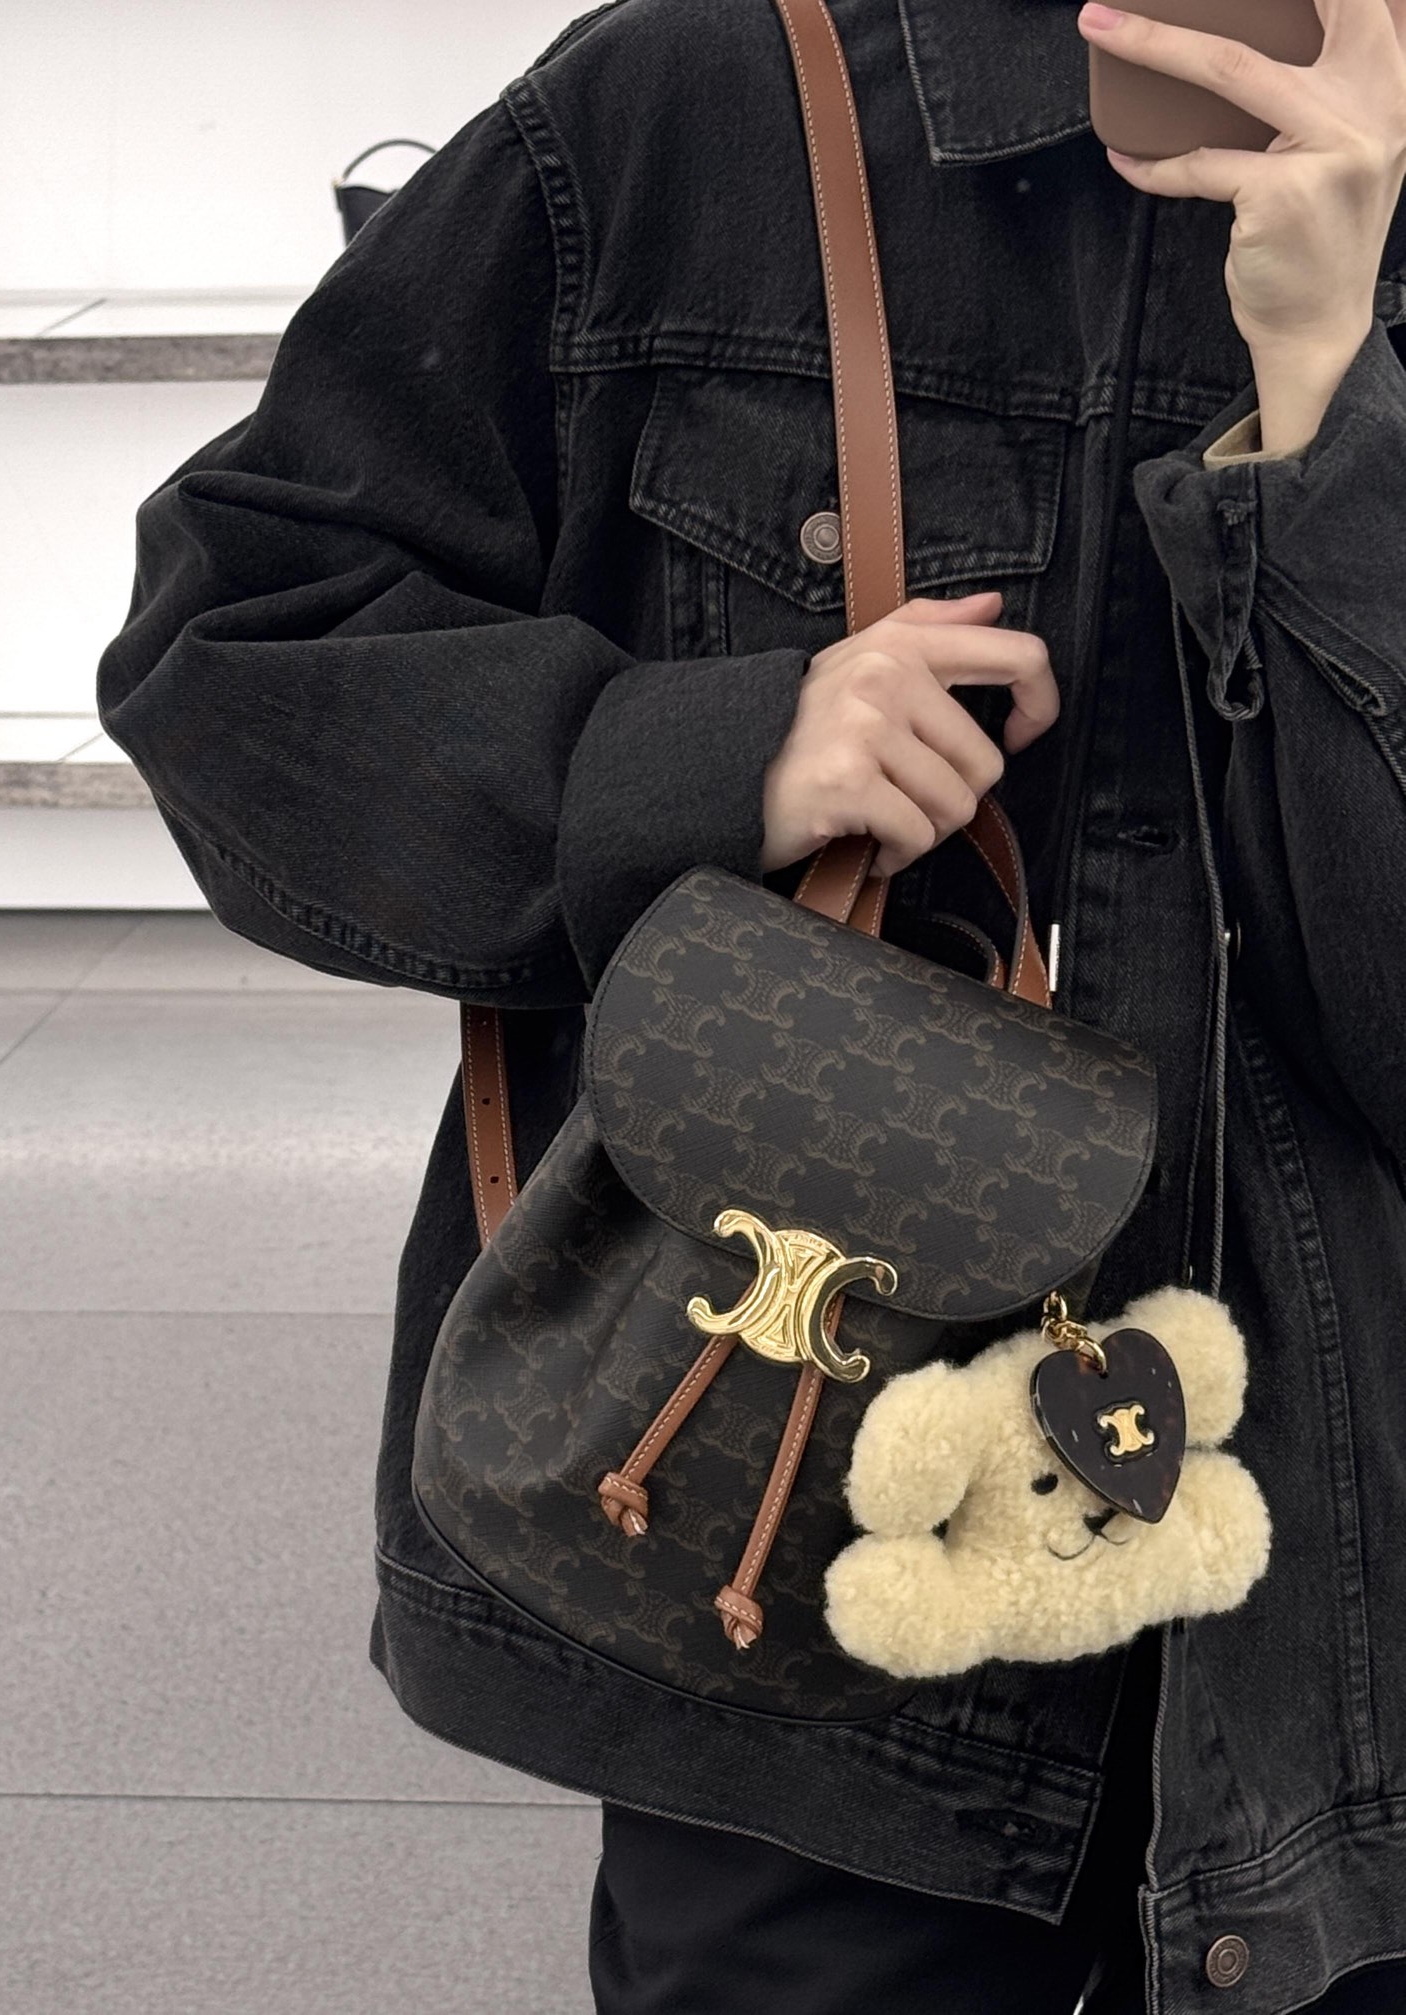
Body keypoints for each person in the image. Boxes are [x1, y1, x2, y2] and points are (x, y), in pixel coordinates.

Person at [96, 1, 1406, 2008]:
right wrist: (705, 756)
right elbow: (235, 648)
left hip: (1353, 1607)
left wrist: (1331, 419)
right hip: (801, 1583)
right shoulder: (694, 109)